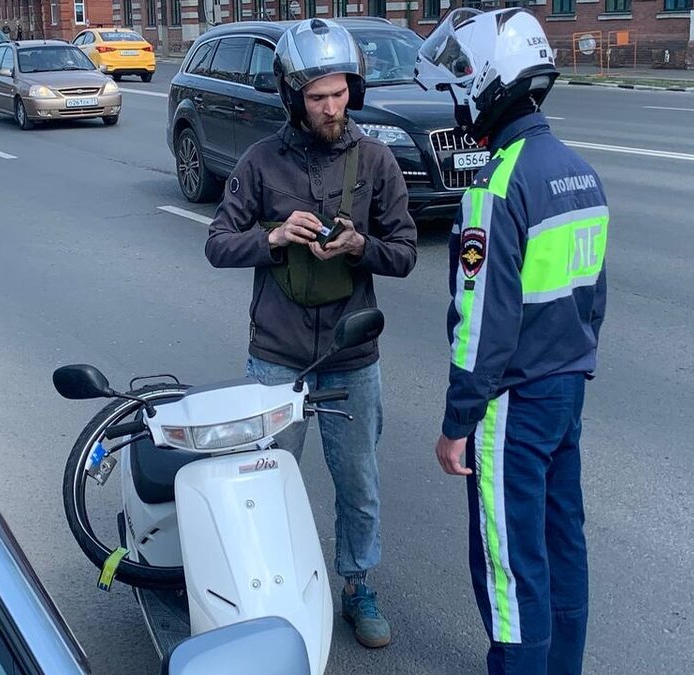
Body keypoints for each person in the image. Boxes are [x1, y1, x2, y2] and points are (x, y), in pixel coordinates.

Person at [204, 17, 417, 651]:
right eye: (317, 96)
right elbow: (217, 244)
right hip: (277, 356)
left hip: (352, 355)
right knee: (265, 482)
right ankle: (265, 591)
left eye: (340, 93)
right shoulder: (259, 161)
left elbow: (405, 253)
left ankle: (358, 585)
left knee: (359, 485)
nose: (330, 107)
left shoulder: (376, 160)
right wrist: (272, 237)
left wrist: (359, 246)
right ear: (292, 97)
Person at [415, 7, 610, 675]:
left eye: (461, 85)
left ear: (489, 85)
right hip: (566, 391)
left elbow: (481, 329)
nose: (458, 100)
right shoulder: (580, 173)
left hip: (512, 404)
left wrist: (456, 424)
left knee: (510, 569)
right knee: (562, 546)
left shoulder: (495, 188)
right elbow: (594, 300)